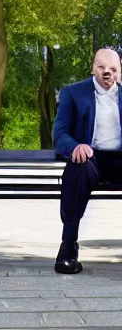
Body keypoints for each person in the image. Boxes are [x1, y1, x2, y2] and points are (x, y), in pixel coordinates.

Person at [53, 48, 122, 274]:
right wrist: (75, 146)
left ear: (119, 72)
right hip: (90, 157)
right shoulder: (73, 92)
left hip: (119, 159)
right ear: (93, 68)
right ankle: (68, 247)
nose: (107, 73)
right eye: (102, 67)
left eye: (112, 69)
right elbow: (60, 133)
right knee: (77, 170)